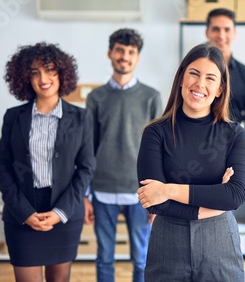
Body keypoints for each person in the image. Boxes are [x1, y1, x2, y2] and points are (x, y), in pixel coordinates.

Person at [136, 43, 245, 281]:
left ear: (220, 89)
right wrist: (214, 199)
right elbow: (153, 202)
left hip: (219, 242)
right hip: (168, 242)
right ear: (181, 79)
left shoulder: (235, 135)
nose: (200, 84)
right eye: (194, 74)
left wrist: (168, 189)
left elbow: (235, 195)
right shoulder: (155, 133)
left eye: (210, 78)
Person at [0, 42, 95, 282]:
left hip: (64, 210)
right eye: (35, 72)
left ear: (62, 73)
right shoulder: (13, 117)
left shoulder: (81, 117)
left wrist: (60, 212)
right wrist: (25, 212)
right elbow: (3, 168)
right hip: (22, 211)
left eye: (50, 70)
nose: (43, 78)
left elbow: (86, 169)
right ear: (25, 78)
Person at [84, 28, 162, 282]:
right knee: (104, 258)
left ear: (137, 58)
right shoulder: (96, 97)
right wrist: (86, 194)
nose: (124, 57)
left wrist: (157, 197)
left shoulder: (151, 97)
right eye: (120, 50)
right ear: (110, 53)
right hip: (102, 189)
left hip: (139, 192)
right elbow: (87, 146)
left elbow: (159, 149)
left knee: (142, 259)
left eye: (131, 52)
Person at [205, 8, 245, 134]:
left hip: (233, 144)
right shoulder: (193, 71)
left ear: (234, 33)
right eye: (216, 29)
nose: (221, 36)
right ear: (207, 32)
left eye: (227, 30)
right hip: (196, 140)